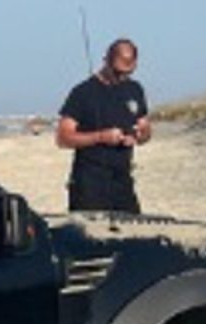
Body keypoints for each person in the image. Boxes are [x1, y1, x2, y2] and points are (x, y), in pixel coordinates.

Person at [56, 37, 153, 213]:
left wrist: (138, 136)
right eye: (118, 72)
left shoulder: (135, 89)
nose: (122, 77)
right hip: (89, 182)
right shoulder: (82, 93)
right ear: (106, 61)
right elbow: (63, 138)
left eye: (128, 72)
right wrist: (100, 137)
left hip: (123, 179)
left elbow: (145, 129)